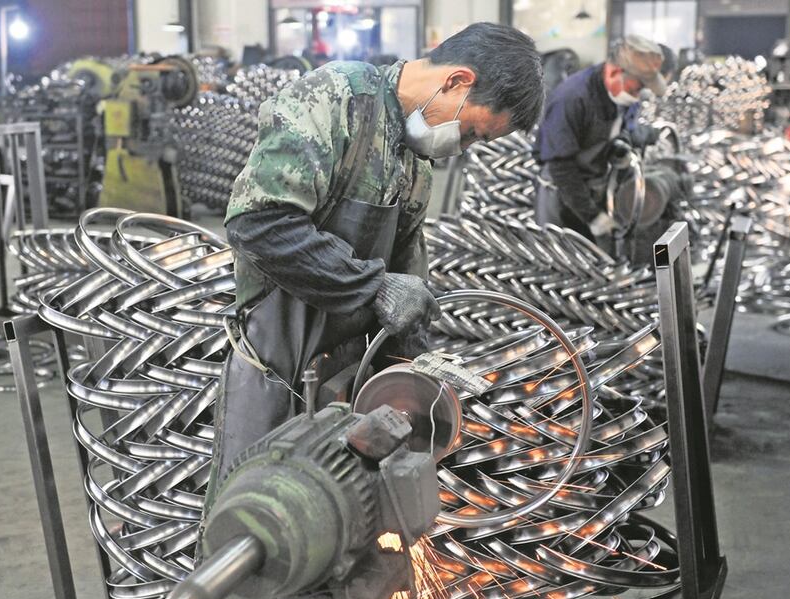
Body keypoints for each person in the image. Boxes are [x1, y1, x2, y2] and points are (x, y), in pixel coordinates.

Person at [212, 22, 544, 490]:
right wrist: (373, 286)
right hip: (278, 367)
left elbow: (406, 267)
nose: (460, 149)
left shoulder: (413, 160)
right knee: (259, 517)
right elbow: (260, 223)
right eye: (470, 132)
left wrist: (418, 363)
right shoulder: (332, 101)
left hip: (349, 374)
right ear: (457, 80)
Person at [534, 35, 667, 243]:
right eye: (636, 88)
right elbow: (561, 168)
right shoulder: (570, 98)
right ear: (614, 72)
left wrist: (620, 146)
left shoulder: (623, 94)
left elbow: (622, 128)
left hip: (593, 188)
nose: (638, 94)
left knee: (594, 263)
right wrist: (592, 216)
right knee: (565, 262)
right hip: (562, 196)